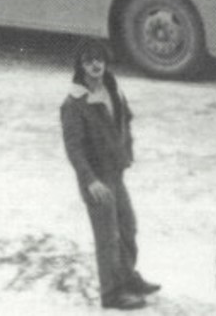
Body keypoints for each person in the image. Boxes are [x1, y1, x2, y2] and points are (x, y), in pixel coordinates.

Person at [60, 40, 159, 310]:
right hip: (97, 181)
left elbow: (125, 121)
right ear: (80, 66)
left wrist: (126, 153)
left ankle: (127, 277)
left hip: (115, 174)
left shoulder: (113, 91)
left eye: (99, 60)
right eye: (89, 60)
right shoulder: (74, 104)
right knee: (107, 237)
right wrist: (90, 180)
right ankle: (111, 293)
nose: (95, 65)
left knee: (128, 227)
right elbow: (74, 148)